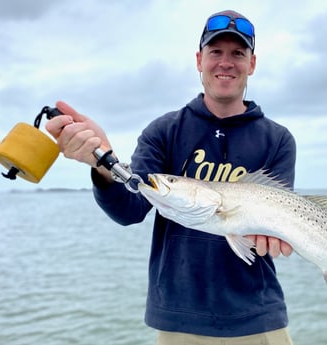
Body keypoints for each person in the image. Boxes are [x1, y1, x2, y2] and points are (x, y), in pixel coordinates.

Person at [46, 9, 296, 345]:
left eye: (238, 53)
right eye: (215, 52)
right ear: (199, 60)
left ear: (251, 64)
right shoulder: (164, 132)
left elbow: (279, 220)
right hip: (179, 320)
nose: (226, 62)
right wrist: (104, 165)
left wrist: (274, 239)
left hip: (258, 317)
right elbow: (129, 210)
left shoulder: (278, 140)